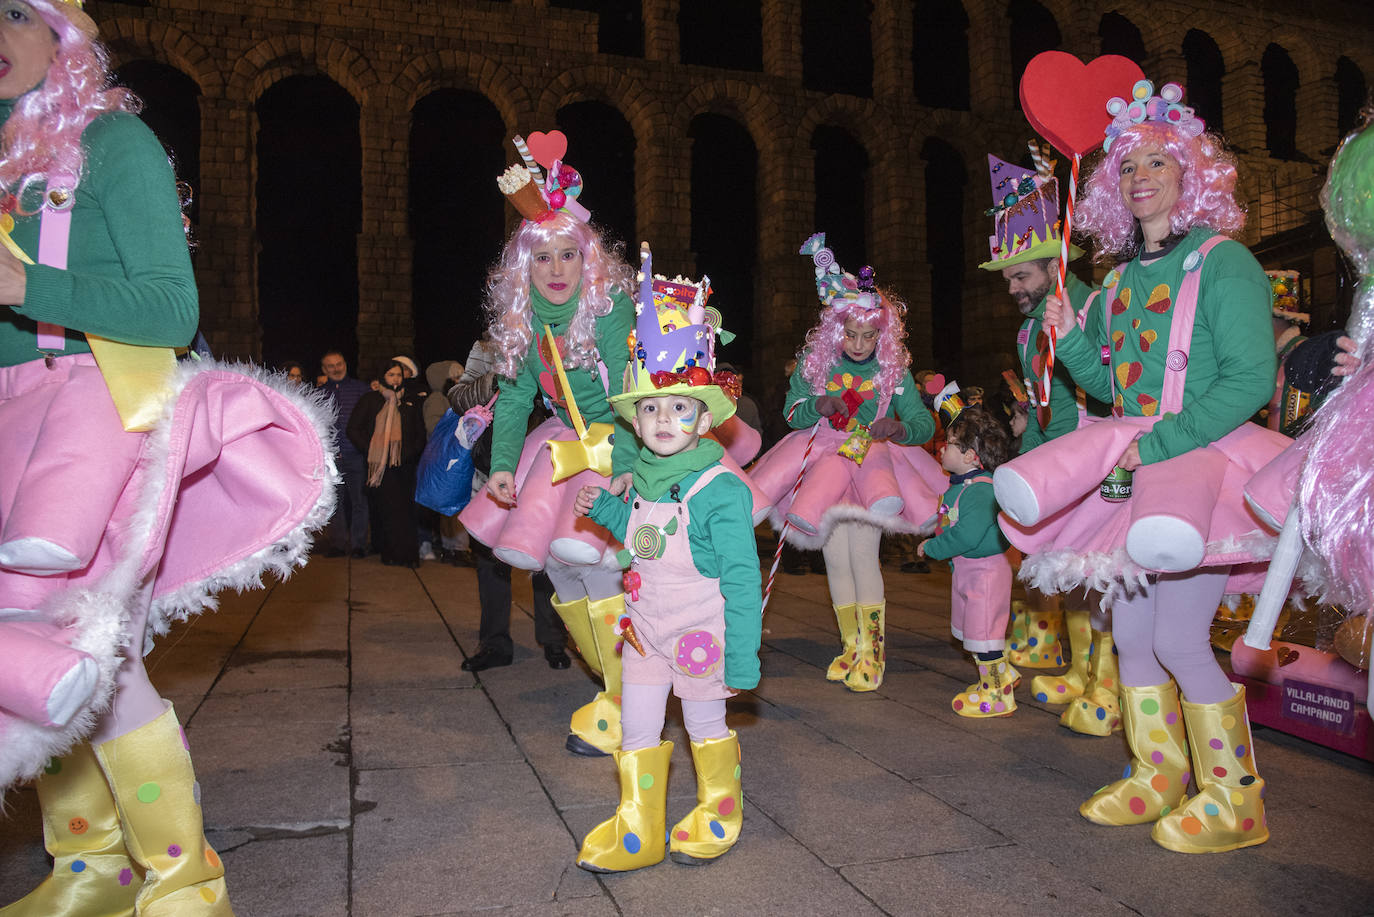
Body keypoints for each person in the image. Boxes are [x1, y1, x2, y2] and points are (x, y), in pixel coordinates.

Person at [0, 2, 335, 912]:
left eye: (11, 10)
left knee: (94, 653)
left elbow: (168, 310)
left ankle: (183, 875)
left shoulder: (114, 146)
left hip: (95, 419)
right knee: (35, 654)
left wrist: (29, 284)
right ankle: (88, 863)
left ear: (64, 34)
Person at [993, 78, 1290, 853]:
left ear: (1192, 174)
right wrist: (1075, 337)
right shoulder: (1120, 279)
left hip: (1197, 462)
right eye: (1128, 167)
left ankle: (1235, 796)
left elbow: (1249, 380)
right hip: (1134, 460)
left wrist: (1154, 445)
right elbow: (1112, 387)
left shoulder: (1223, 263)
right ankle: (1159, 772)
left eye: (1159, 160)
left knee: (1182, 638)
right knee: (1131, 632)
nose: (1142, 177)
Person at [571, 250, 760, 872]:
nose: (661, 419)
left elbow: (740, 577)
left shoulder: (719, 489)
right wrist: (609, 514)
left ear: (705, 418)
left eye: (679, 407)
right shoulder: (649, 481)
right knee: (636, 732)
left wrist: (742, 655)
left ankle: (718, 814)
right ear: (635, 419)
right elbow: (644, 546)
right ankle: (638, 827)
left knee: (705, 729)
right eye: (650, 407)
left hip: (703, 636)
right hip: (646, 632)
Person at [750, 233, 942, 692]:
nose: (859, 345)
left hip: (873, 466)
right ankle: (851, 646)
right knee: (835, 558)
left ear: (883, 334)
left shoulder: (892, 373)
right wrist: (818, 404)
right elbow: (792, 413)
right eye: (851, 335)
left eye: (869, 335)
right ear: (836, 331)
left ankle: (872, 653)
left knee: (862, 556)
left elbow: (922, 424)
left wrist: (897, 428)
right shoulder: (814, 366)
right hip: (823, 460)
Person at [976, 148, 1117, 734]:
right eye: (1007, 278)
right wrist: (1028, 457)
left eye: (1021, 274)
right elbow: (1039, 402)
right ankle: (1085, 673)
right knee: (1070, 568)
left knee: (1104, 570)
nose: (1012, 286)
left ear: (1054, 264)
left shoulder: (1088, 304)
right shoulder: (1029, 326)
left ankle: (1108, 684)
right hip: (1060, 458)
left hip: (1099, 453)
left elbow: (1108, 387)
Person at [448, 342, 569, 670]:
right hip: (492, 469)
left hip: (544, 469)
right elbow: (458, 397)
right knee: (490, 561)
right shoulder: (488, 342)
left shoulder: (557, 334)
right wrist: (494, 379)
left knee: (546, 557)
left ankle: (554, 639)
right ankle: (495, 643)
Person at [916, 406, 1017, 716]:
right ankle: (1001, 679)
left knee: (984, 633)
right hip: (969, 570)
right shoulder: (962, 487)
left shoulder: (980, 491)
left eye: (950, 443)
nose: (942, 448)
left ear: (972, 456)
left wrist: (933, 547)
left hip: (985, 572)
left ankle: (997, 694)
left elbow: (966, 535)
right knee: (975, 630)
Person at [347, 359, 427, 567]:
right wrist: (371, 449)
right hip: (380, 467)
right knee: (386, 511)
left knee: (405, 511)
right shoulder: (371, 400)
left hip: (404, 466)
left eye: (399, 375)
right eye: (391, 375)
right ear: (383, 376)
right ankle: (389, 553)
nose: (396, 379)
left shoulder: (409, 400)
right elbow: (353, 429)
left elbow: (419, 434)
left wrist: (407, 453)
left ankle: (407, 555)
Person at [319, 349, 372, 557]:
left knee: (360, 502)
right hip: (331, 457)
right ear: (324, 369)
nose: (336, 368)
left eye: (339, 364)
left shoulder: (361, 389)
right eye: (330, 366)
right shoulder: (320, 393)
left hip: (356, 455)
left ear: (345, 364)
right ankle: (338, 544)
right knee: (335, 502)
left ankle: (359, 544)